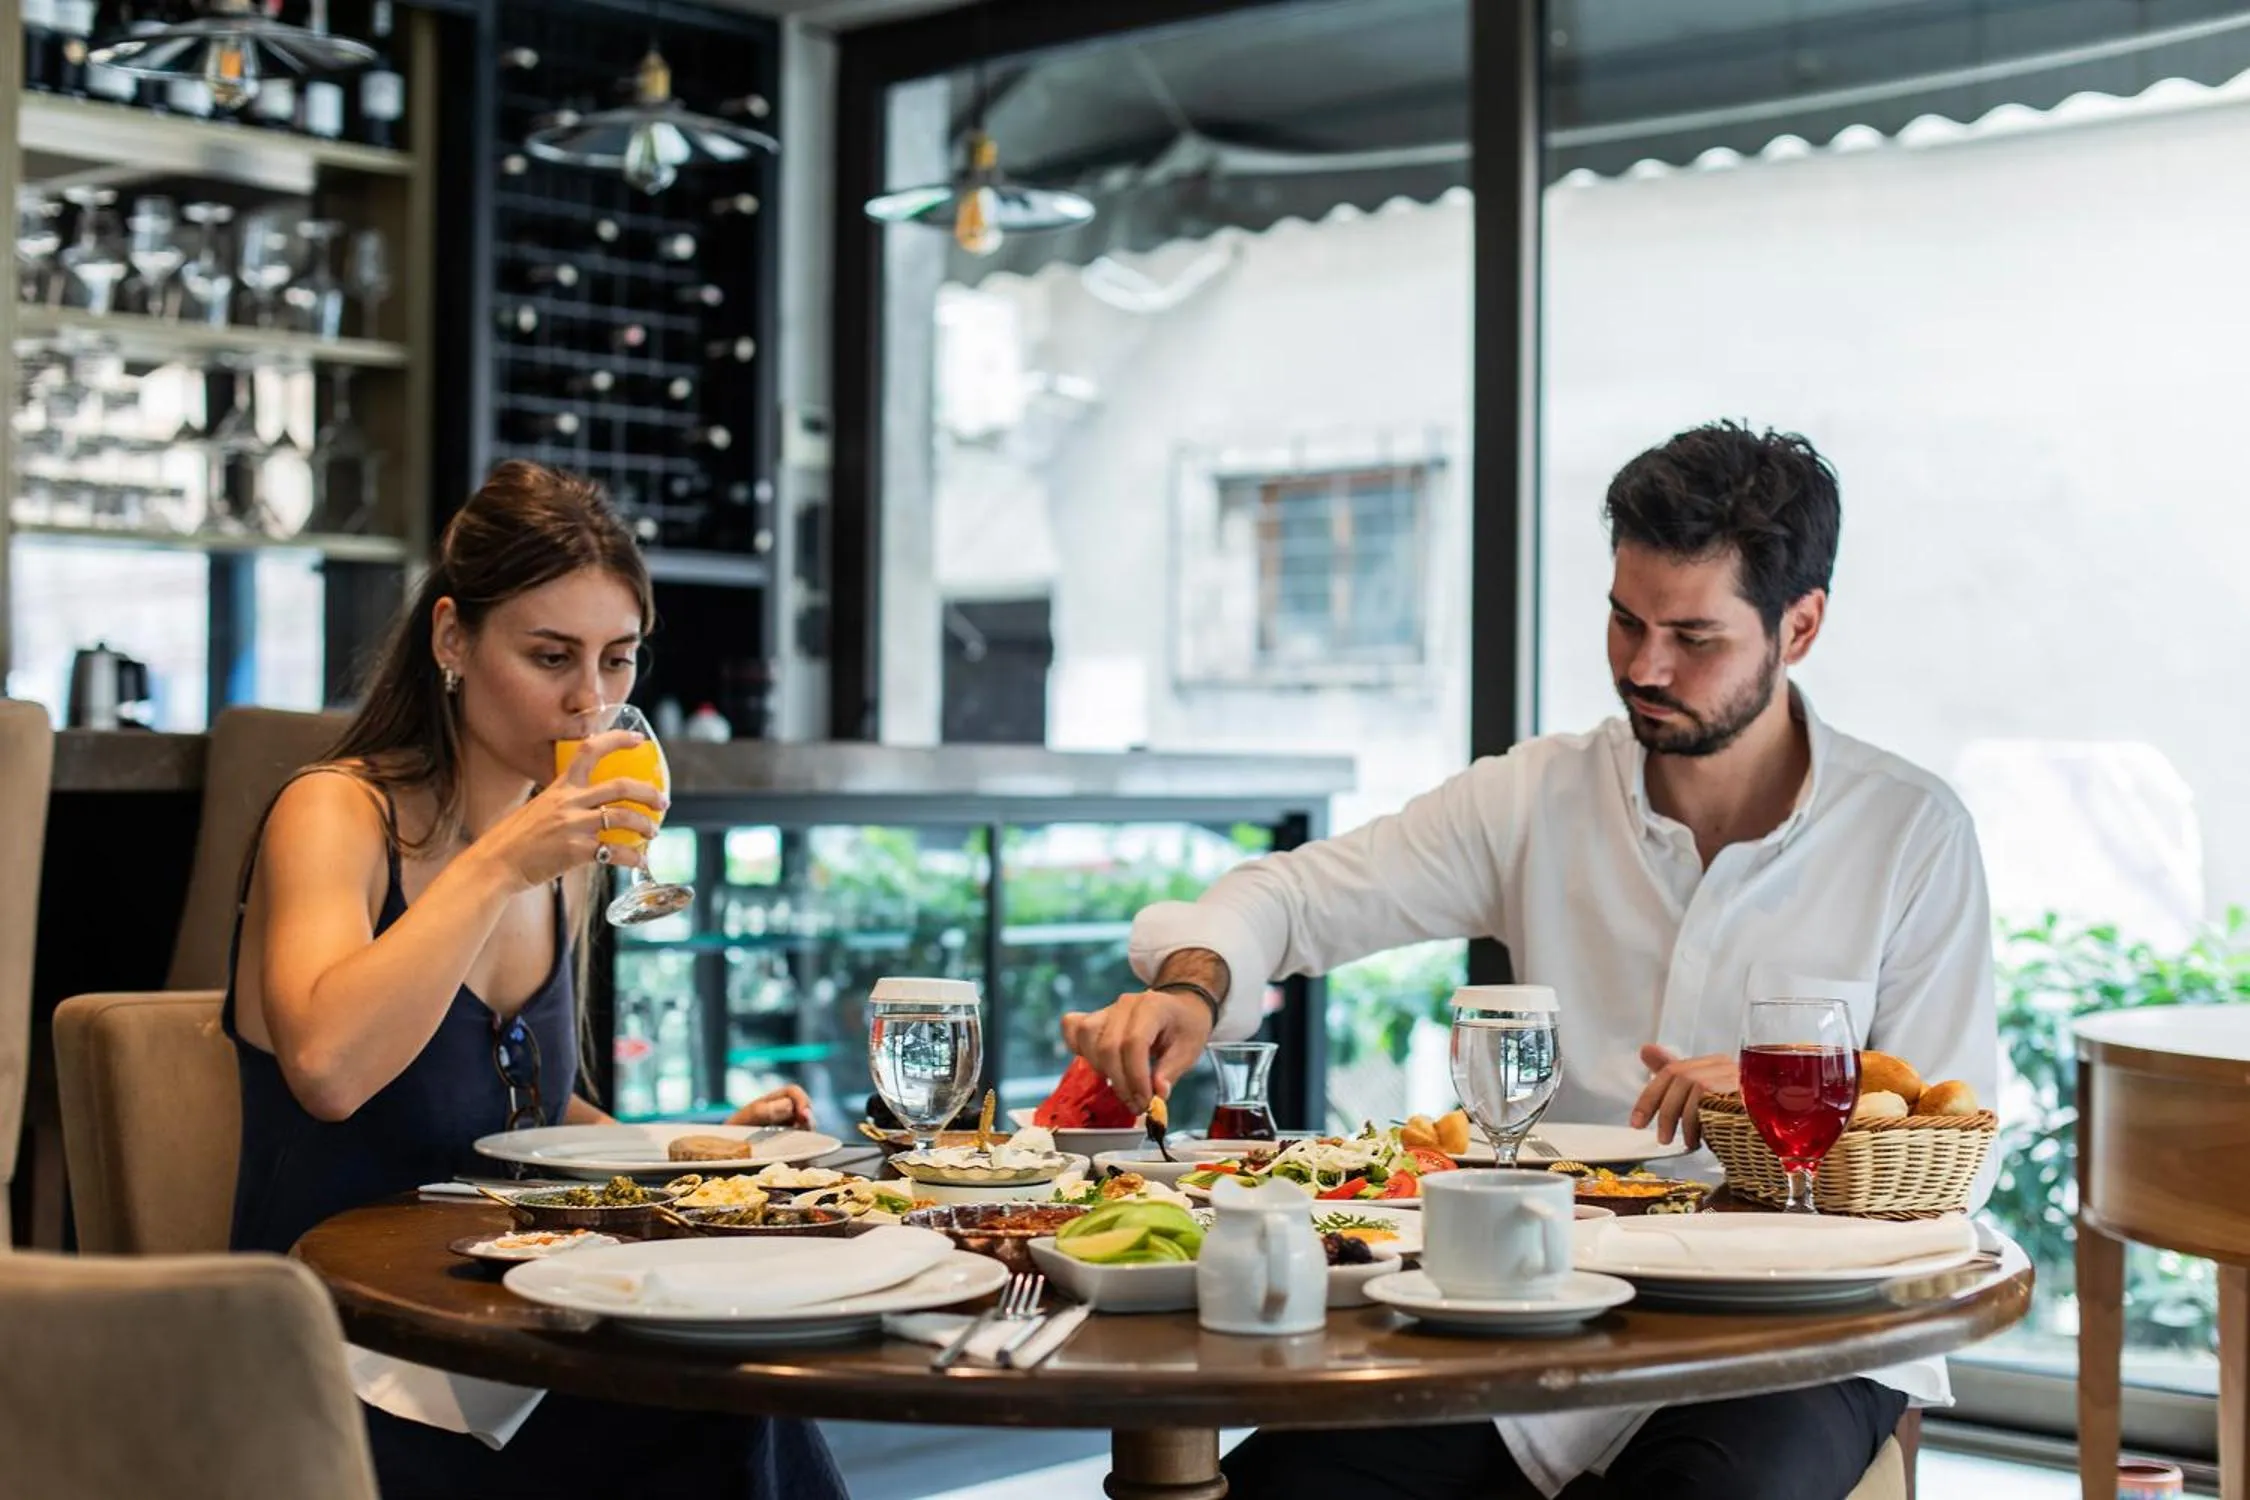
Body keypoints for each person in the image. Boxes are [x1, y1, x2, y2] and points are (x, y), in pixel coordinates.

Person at [1063, 422, 1999, 1500]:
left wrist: (1762, 1099)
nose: (1644, 667)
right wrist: (1193, 986)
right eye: (1624, 620)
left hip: (1810, 1331)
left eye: (1693, 637)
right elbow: (1289, 897)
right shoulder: (1535, 797)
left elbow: (1952, 1152)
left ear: (1801, 626)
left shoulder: (1910, 834)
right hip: (1546, 1304)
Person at [222, 461, 847, 1500]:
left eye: (617, 660)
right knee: (711, 1417)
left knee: (744, 1381)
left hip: (504, 1313)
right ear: (453, 640)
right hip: (346, 1342)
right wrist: (502, 861)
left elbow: (523, 1110)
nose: (589, 701)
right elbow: (329, 1070)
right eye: (551, 656)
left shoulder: (557, 862)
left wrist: (710, 1156)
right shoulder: (339, 814)